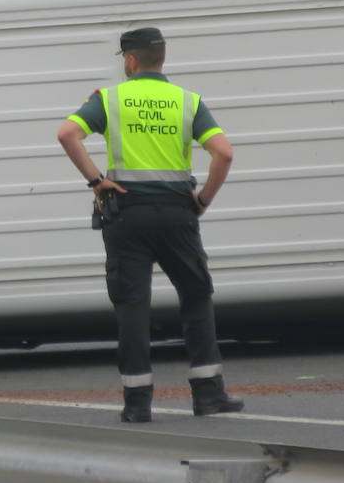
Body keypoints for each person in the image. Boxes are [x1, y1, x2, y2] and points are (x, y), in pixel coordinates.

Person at [56, 27, 243, 422]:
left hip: (127, 214)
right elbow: (223, 154)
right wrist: (203, 199)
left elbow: (67, 133)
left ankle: (137, 403)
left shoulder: (110, 99)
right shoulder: (187, 101)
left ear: (130, 60)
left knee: (132, 304)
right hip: (178, 212)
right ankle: (209, 395)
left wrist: (96, 180)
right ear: (162, 59)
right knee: (195, 295)